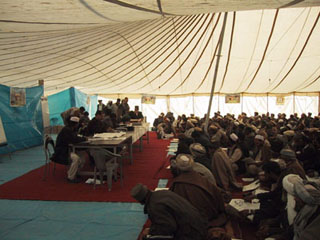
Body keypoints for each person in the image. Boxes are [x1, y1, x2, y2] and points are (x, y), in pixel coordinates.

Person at [131, 183, 208, 240]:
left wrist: (151, 231)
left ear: (140, 202)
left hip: (193, 233)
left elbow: (168, 227)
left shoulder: (154, 206)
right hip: (199, 224)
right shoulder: (161, 193)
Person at [169, 154, 227, 227]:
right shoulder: (202, 178)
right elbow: (217, 197)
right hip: (210, 215)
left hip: (192, 220)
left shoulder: (177, 185)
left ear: (177, 168)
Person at [51, 116, 88, 183]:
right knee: (76, 159)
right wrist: (85, 139)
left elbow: (74, 138)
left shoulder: (69, 129)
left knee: (82, 156)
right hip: (62, 151)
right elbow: (74, 139)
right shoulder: (67, 130)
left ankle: (75, 172)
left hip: (66, 149)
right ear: (76, 124)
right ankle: (71, 177)